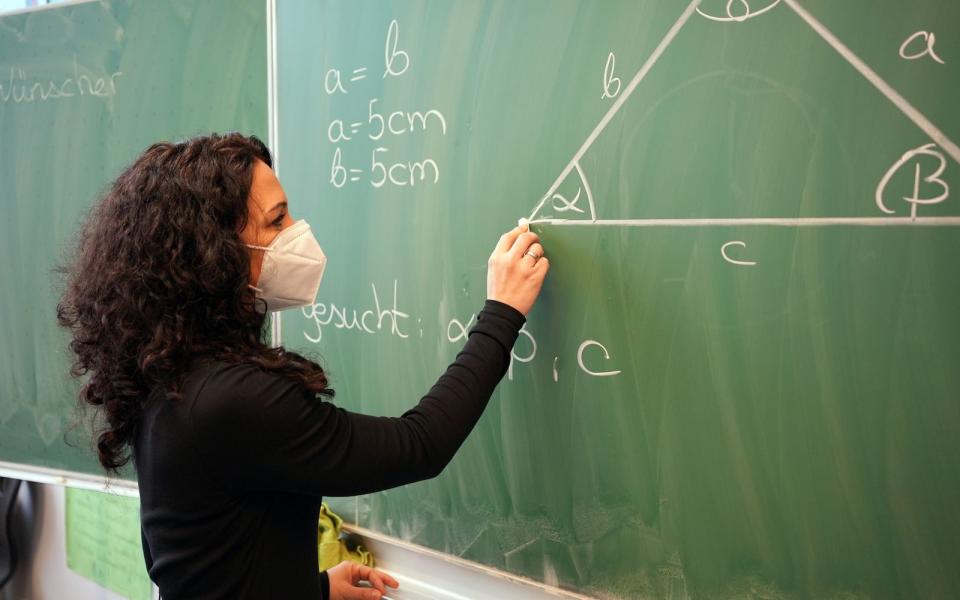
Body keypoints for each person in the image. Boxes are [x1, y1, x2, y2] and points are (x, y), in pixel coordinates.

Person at [56, 133, 549, 599]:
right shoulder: (232, 398)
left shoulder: (170, 372)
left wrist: (311, 590)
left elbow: (206, 557)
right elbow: (419, 445)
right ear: (214, 252)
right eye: (277, 221)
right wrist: (502, 313)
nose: (297, 234)